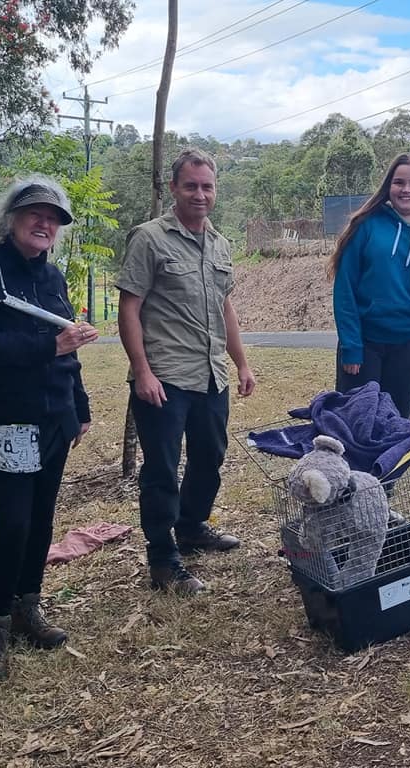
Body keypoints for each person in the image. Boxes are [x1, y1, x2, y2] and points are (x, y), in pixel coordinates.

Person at [0, 176, 100, 680]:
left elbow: (67, 345)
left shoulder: (53, 279)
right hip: (5, 420)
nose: (46, 223)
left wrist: (78, 405)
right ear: (11, 218)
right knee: (12, 523)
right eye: (36, 213)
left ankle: (25, 609)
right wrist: (48, 348)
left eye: (54, 218)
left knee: (40, 521)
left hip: (54, 417)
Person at [117, 149, 256, 595]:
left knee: (210, 458)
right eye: (191, 185)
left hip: (210, 375)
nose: (200, 193)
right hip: (165, 377)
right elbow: (129, 307)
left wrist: (241, 363)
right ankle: (163, 559)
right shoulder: (149, 238)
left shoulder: (220, 244)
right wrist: (142, 371)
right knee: (161, 468)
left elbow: (225, 306)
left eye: (207, 186)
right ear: (174, 187)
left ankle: (192, 526)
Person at [329, 152, 410, 422]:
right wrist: (352, 346)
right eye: (399, 182)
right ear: (389, 186)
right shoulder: (365, 226)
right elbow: (345, 291)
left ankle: (391, 467)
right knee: (353, 424)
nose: (406, 190)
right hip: (364, 346)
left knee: (394, 425)